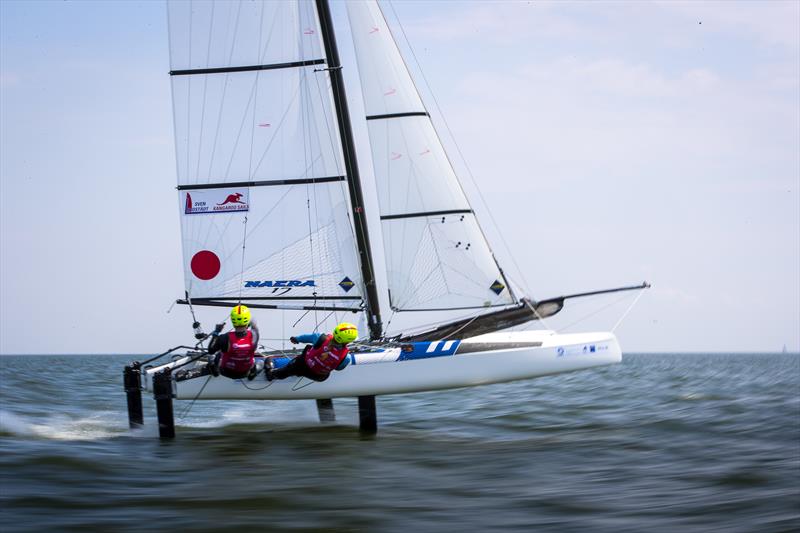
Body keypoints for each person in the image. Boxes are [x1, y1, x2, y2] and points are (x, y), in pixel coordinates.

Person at [266, 322, 358, 382]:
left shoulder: (321, 338)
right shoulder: (346, 357)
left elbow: (306, 337)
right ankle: (298, 373)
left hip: (303, 365)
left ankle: (271, 374)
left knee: (291, 368)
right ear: (348, 341)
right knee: (323, 371)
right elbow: (338, 368)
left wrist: (296, 339)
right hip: (319, 376)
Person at [207, 305, 260, 380]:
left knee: (214, 355)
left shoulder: (224, 337)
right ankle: (252, 375)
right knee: (258, 361)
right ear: (247, 320)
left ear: (232, 320)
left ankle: (215, 373)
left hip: (226, 372)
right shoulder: (254, 335)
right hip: (245, 372)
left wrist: (217, 331)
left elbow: (210, 350)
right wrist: (251, 322)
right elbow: (254, 325)